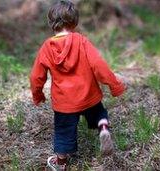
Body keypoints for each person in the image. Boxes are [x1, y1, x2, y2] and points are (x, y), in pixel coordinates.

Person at [29, 0, 126, 170]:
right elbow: (99, 64)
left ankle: (61, 163)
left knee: (63, 132)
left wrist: (38, 94)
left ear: (52, 23)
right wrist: (114, 85)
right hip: (89, 95)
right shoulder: (81, 41)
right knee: (99, 113)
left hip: (64, 103)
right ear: (74, 21)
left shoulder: (47, 47)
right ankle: (103, 126)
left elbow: (36, 76)